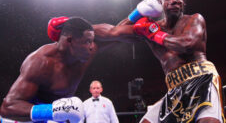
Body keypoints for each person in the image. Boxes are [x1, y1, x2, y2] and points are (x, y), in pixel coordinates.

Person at [121, 0, 225, 123]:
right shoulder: (153, 26)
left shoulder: (194, 19)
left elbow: (186, 44)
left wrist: (154, 34)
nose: (173, 1)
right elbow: (116, 33)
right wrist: (137, 13)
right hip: (175, 89)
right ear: (161, 3)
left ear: (183, 1)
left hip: (202, 79)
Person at [0, 16, 140, 123]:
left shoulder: (85, 52)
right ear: (69, 40)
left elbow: (116, 34)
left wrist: (137, 14)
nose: (92, 47)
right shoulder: (40, 62)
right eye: (87, 41)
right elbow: (7, 107)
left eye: (92, 40)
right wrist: (52, 110)